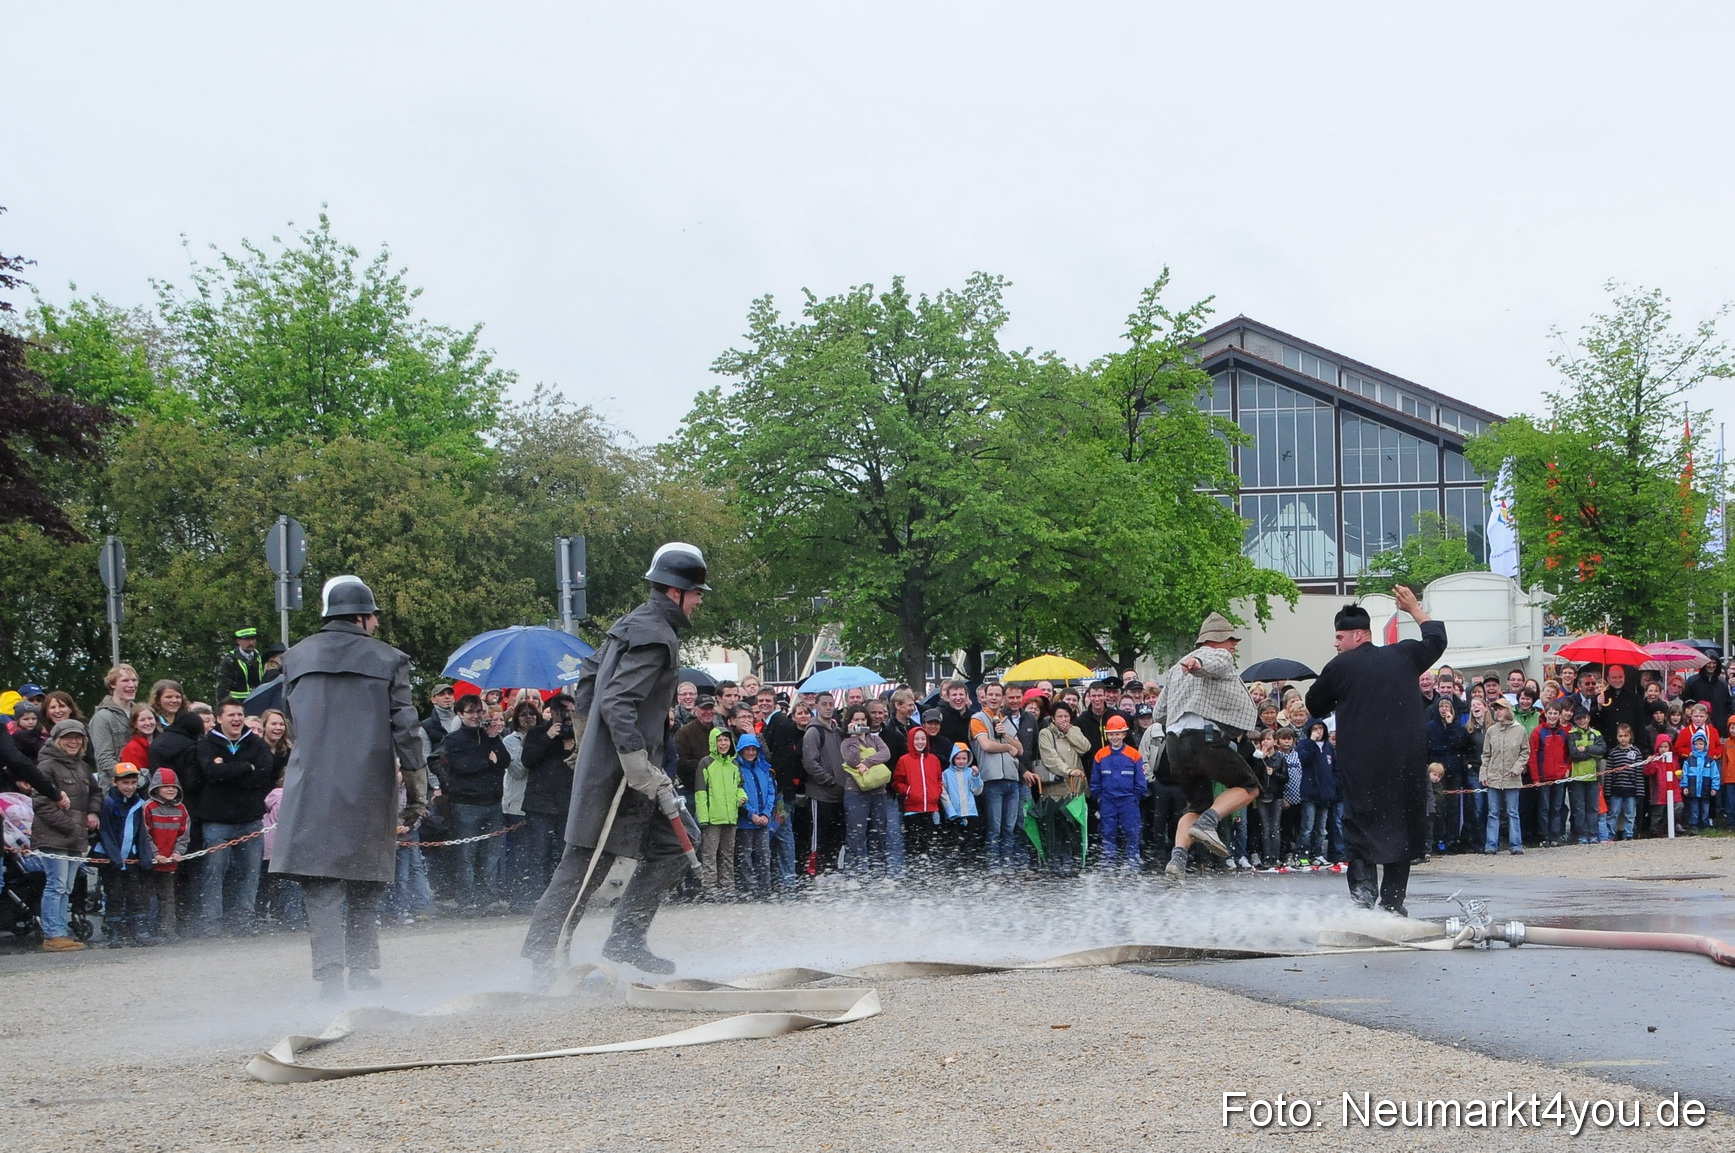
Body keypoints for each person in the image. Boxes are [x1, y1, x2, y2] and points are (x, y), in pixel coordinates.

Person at [521, 543, 708, 982]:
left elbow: (587, 681)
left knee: (679, 842)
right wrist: (630, 759)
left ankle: (626, 938)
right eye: (697, 592)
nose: (700, 600)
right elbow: (617, 701)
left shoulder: (633, 624)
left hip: (626, 770)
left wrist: (589, 749)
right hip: (624, 776)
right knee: (585, 866)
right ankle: (544, 960)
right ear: (676, 590)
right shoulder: (654, 633)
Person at [270, 575, 429, 997]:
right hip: (367, 783)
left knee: (320, 883)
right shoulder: (391, 659)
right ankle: (361, 969)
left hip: (310, 784)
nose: (376, 624)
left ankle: (328, 976)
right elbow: (407, 731)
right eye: (374, 617)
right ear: (362, 616)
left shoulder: (296, 657)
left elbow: (292, 721)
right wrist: (417, 793)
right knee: (364, 881)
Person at [1304, 586, 1447, 915]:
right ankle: (1393, 905)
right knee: (1403, 831)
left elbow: (1314, 703)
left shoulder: (1341, 667)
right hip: (1405, 765)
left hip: (1363, 768)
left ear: (1358, 635)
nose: (1335, 643)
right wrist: (1414, 608)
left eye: (1339, 637)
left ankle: (1364, 904)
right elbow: (1437, 639)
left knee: (1359, 832)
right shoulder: (1405, 655)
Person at [1152, 612, 1262, 881]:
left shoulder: (1175, 669)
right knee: (1251, 786)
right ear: (1216, 641)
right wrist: (1197, 663)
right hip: (1203, 739)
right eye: (1230, 640)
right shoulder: (1216, 656)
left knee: (1196, 803)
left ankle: (1177, 858)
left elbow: (1158, 714)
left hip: (1175, 746)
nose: (1234, 646)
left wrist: (1191, 669)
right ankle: (1209, 822)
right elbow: (1211, 661)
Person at [192, 699, 276, 936]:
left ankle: (243, 921)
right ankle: (212, 923)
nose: (237, 719)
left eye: (240, 714)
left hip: (250, 819)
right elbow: (210, 772)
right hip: (217, 821)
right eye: (231, 715)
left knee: (250, 873)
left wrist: (227, 769)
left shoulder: (257, 743)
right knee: (213, 872)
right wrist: (244, 767)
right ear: (219, 718)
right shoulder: (207, 744)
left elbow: (262, 773)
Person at [32, 720, 103, 951]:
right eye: (68, 737)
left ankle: (60, 931)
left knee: (67, 887)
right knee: (57, 885)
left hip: (75, 838)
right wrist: (73, 827)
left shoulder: (82, 767)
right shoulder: (47, 766)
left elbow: (96, 792)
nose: (73, 741)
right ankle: (53, 934)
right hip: (53, 836)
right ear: (57, 739)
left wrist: (92, 812)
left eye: (78, 737)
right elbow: (42, 805)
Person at [439, 693, 510, 911]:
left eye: (479, 711)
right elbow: (463, 766)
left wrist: (492, 739)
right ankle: (466, 899)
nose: (476, 716)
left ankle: (488, 898)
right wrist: (488, 763)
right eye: (470, 712)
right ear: (460, 714)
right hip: (466, 804)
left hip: (493, 802)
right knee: (466, 855)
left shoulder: (490, 736)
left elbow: (505, 761)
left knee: (491, 855)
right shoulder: (453, 739)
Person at [95, 763, 157, 947]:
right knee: (114, 895)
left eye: (133, 782)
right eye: (125, 782)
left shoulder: (139, 803)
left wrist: (144, 856)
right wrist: (114, 856)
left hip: (132, 858)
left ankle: (139, 930)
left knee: (136, 894)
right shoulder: (108, 803)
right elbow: (105, 832)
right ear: (115, 782)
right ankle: (114, 931)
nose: (129, 787)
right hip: (111, 859)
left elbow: (141, 833)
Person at [970, 682, 1026, 872]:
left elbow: (1020, 749)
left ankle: (1008, 864)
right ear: (984, 697)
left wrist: (1007, 738)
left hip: (1012, 779)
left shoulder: (1005, 720)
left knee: (1009, 828)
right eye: (990, 694)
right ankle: (994, 866)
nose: (994, 698)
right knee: (994, 827)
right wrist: (1007, 747)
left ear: (1002, 699)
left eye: (997, 695)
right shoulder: (977, 718)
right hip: (992, 779)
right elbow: (986, 745)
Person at [839, 703, 894, 875]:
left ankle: (878, 871)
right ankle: (853, 871)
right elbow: (852, 760)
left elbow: (886, 754)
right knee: (856, 833)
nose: (860, 722)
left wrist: (868, 762)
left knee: (878, 832)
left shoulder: (875, 739)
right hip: (855, 792)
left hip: (878, 791)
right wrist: (854, 737)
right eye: (856, 720)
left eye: (863, 719)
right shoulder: (847, 742)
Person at [140, 767, 190, 941]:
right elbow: (144, 835)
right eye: (166, 786)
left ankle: (167, 929)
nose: (170, 790)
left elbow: (184, 835)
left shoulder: (181, 809)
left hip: (170, 862)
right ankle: (148, 929)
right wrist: (154, 854)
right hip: (151, 862)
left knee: (168, 898)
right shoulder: (148, 807)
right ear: (156, 788)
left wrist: (178, 852)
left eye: (174, 787)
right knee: (147, 897)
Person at [1090, 714, 1145, 869]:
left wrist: (1134, 799)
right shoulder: (1100, 755)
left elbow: (1141, 782)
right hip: (1108, 801)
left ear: (1124, 734)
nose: (1114, 737)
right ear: (1107, 735)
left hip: (1128, 801)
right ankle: (1109, 865)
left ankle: (1133, 866)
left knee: (1132, 833)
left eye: (1117, 734)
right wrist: (1100, 798)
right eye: (1111, 734)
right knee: (1107, 834)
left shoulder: (1134, 754)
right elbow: (1095, 782)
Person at [801, 694, 848, 874]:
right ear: (817, 706)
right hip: (821, 794)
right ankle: (817, 872)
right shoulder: (813, 732)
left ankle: (833, 871)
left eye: (831, 704)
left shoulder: (837, 732)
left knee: (837, 838)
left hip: (839, 795)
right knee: (819, 838)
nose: (828, 707)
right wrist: (829, 780)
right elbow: (810, 763)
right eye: (824, 704)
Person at [694, 727, 744, 892]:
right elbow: (700, 792)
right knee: (709, 853)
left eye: (726, 740)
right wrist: (703, 817)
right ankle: (710, 886)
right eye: (720, 740)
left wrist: (741, 797)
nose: (723, 743)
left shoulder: (734, 764)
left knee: (728, 853)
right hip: (712, 817)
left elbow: (739, 786)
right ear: (713, 742)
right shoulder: (706, 763)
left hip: (731, 816)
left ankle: (728, 885)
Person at [1480, 698, 1528, 853]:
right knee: (1492, 813)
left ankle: (1516, 845)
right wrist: (1484, 773)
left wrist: (1517, 768)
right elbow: (1486, 754)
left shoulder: (1520, 730)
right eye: (1496, 709)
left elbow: (1525, 752)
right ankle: (1491, 844)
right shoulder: (1491, 731)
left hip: (1512, 777)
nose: (1498, 712)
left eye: (1501, 709)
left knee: (1513, 812)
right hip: (1493, 776)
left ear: (1508, 710)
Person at [891, 725, 944, 861]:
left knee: (930, 842)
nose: (920, 742)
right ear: (910, 741)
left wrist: (936, 793)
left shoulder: (934, 760)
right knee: (914, 843)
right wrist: (908, 792)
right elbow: (897, 781)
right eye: (916, 739)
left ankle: (929, 871)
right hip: (912, 809)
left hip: (931, 808)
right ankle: (914, 872)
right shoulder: (904, 760)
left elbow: (939, 779)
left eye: (923, 739)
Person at [89, 663, 140, 784]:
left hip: (142, 785)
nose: (131, 685)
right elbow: (104, 759)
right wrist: (130, 777)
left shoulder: (141, 713)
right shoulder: (102, 717)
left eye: (134, 680)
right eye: (125, 680)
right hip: (115, 788)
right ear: (112, 684)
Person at [1565, 705, 1607, 844]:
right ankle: (1581, 834)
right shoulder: (1571, 734)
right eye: (1578, 719)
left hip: (1593, 775)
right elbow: (1574, 754)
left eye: (1584, 718)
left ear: (1588, 718)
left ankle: (1593, 834)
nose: (1581, 721)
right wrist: (1591, 754)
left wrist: (1586, 749)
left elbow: (1602, 750)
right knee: (1578, 808)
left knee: (1593, 807)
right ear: (1575, 720)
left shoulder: (1597, 734)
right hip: (1577, 776)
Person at [1297, 719, 1335, 862]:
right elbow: (1304, 758)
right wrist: (1312, 743)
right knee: (1307, 826)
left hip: (1325, 793)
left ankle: (1317, 853)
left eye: (1321, 728)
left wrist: (1332, 783)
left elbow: (1334, 768)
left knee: (1320, 828)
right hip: (1310, 792)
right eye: (1315, 728)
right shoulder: (1304, 745)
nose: (1318, 731)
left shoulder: (1328, 747)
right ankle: (1303, 854)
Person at [215, 626, 265, 704]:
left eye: (253, 639)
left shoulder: (259, 656)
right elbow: (222, 687)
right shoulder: (230, 660)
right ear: (238, 641)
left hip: (258, 701)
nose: (251, 642)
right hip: (238, 704)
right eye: (247, 639)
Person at [119, 705, 156, 773]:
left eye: (150, 718)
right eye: (142, 720)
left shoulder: (161, 742)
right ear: (134, 724)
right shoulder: (131, 749)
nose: (147, 723)